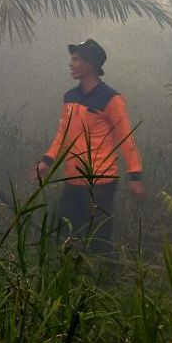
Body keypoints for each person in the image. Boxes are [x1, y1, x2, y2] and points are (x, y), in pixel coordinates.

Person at [35, 39, 146, 256]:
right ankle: (72, 281)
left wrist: (135, 177)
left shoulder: (111, 99)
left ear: (91, 64)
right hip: (72, 180)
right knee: (64, 234)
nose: (71, 64)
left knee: (98, 238)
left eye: (76, 59)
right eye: (72, 59)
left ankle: (106, 281)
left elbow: (126, 138)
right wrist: (46, 160)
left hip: (100, 182)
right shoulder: (70, 97)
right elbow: (62, 134)